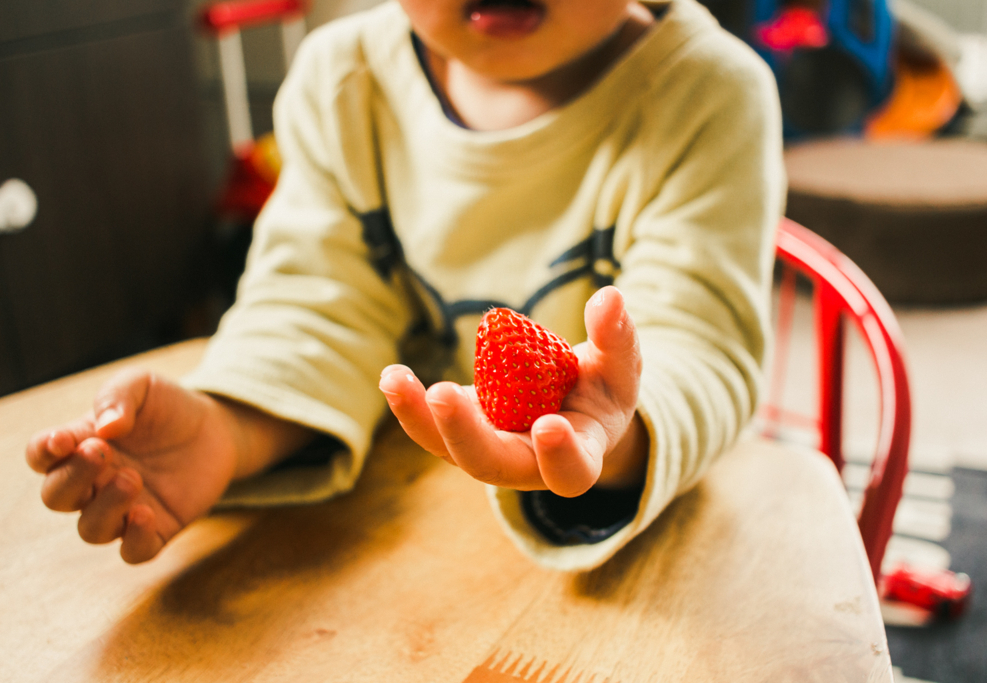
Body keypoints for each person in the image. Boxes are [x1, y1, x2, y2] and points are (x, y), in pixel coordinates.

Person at [25, 0, 784, 570]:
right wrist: (228, 428)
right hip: (407, 534)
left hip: (643, 539)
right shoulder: (342, 83)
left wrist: (611, 442)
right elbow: (315, 308)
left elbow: (698, 343)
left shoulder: (710, 94)